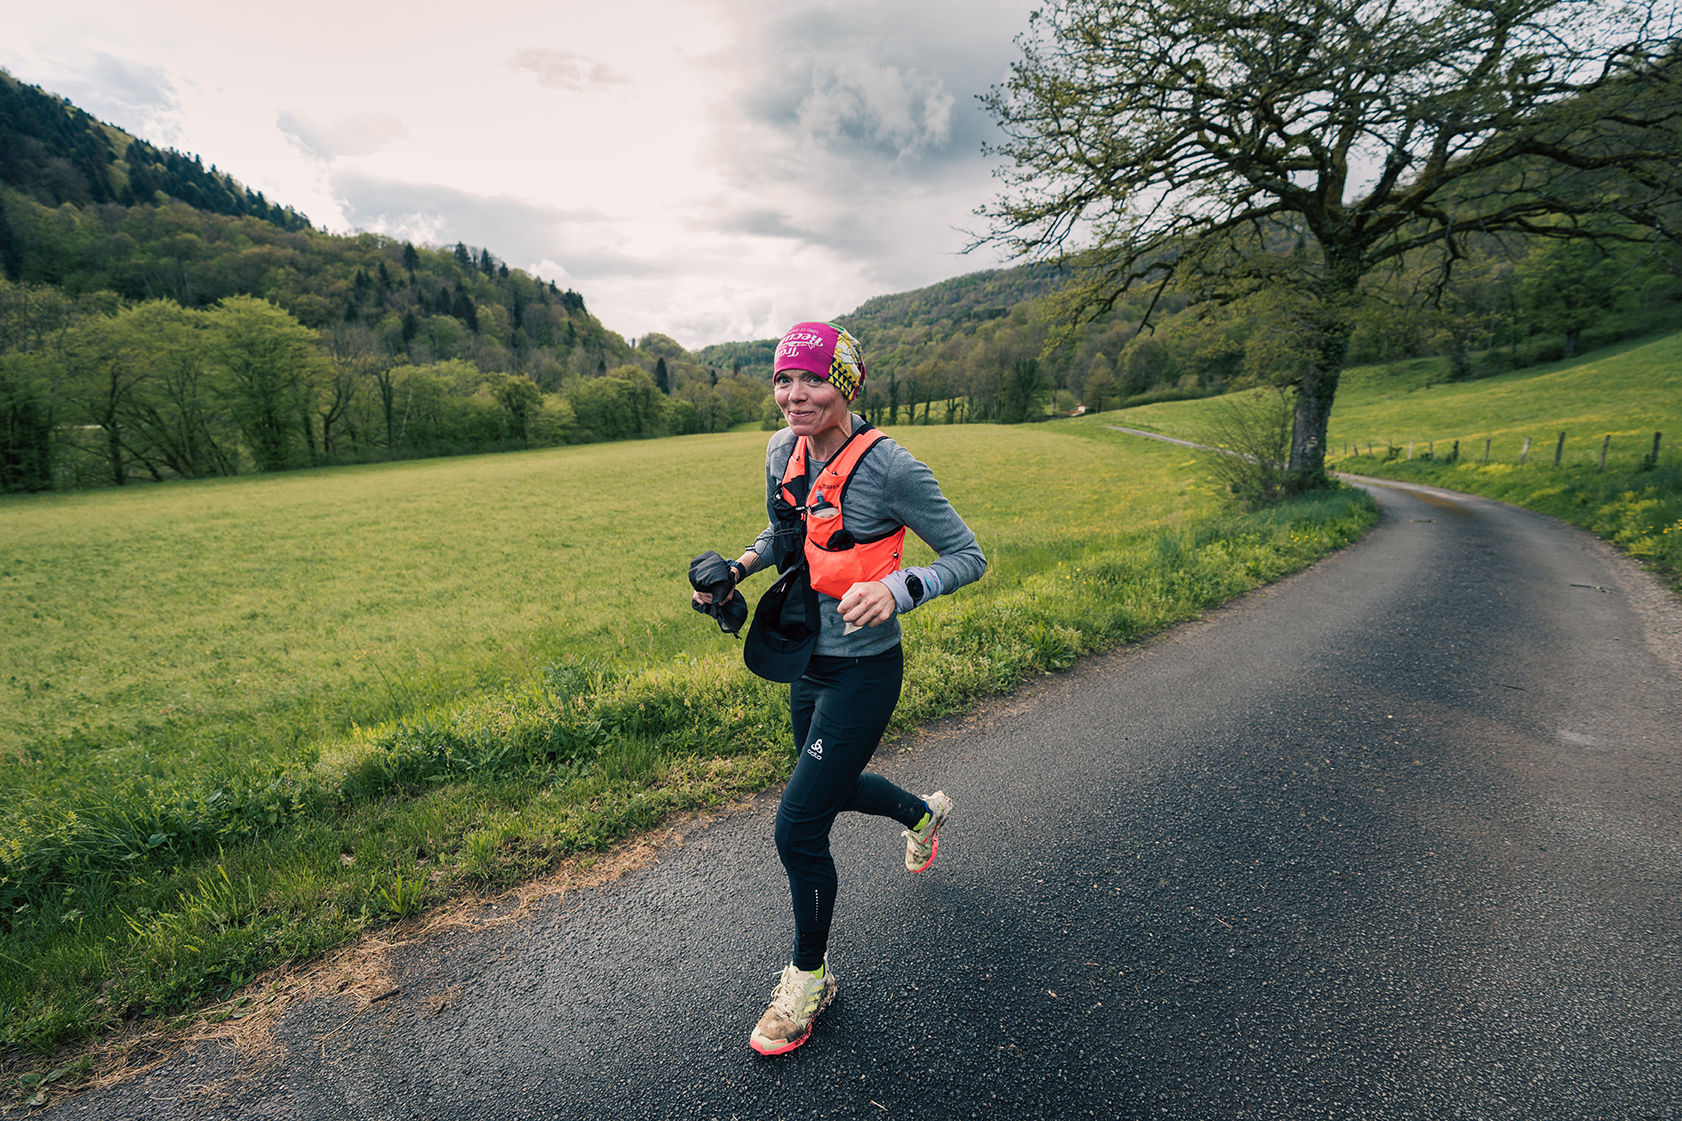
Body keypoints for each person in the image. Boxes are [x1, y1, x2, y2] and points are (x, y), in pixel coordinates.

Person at [693, 321, 987, 1056]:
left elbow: (967, 554)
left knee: (797, 826)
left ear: (846, 384)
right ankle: (922, 814)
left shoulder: (891, 468)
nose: (794, 395)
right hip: (806, 659)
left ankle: (809, 978)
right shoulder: (779, 452)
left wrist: (900, 587)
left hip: (865, 667)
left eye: (813, 379)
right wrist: (736, 567)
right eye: (783, 380)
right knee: (831, 784)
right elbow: (784, 537)